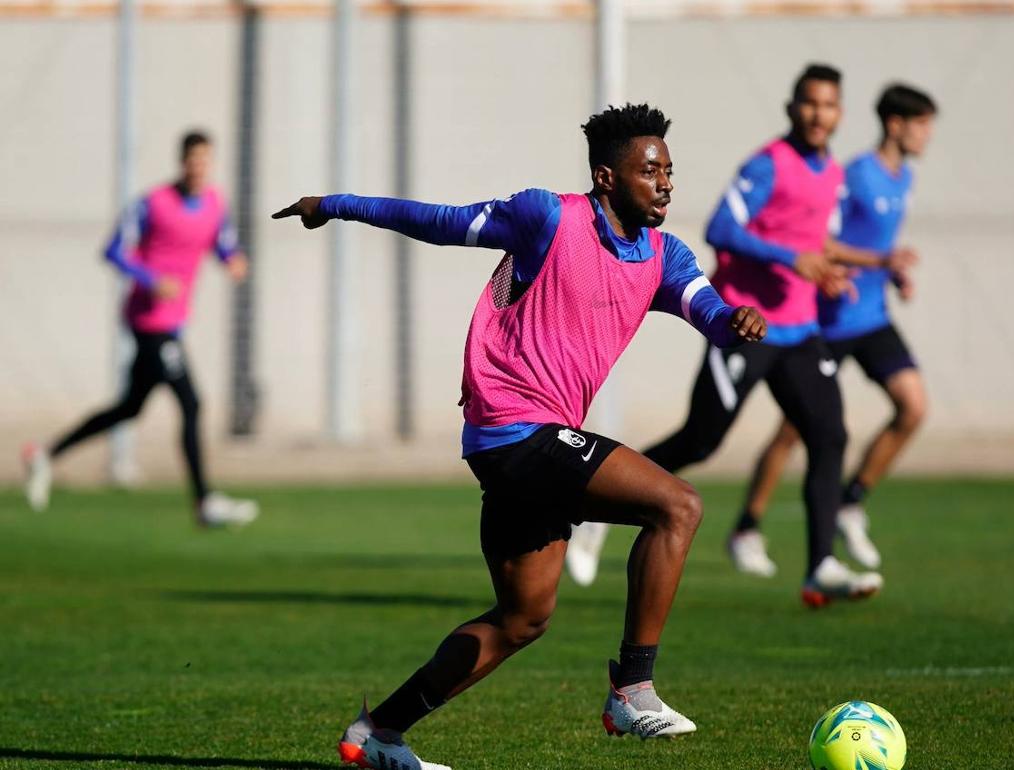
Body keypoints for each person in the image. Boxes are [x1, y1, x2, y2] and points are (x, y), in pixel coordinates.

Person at [272, 104, 766, 769]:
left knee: (523, 618)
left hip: (526, 446)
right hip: (515, 430)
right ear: (607, 178)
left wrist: (734, 321)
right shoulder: (548, 217)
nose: (666, 183)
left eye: (670, 171)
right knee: (678, 505)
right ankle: (633, 688)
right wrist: (338, 204)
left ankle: (378, 733)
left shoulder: (664, 256)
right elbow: (441, 222)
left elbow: (706, 310)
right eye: (650, 171)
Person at [566, 64, 882, 608]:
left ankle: (821, 564)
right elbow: (721, 229)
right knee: (701, 440)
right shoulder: (767, 165)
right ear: (792, 108)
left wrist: (831, 270)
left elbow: (812, 244)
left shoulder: (833, 174)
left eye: (828, 105)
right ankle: (596, 512)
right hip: (746, 327)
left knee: (829, 435)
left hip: (801, 330)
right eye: (808, 102)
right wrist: (792, 258)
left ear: (840, 114)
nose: (817, 114)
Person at [736, 83, 938, 574]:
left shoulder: (904, 177)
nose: (928, 136)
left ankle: (851, 500)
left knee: (912, 407)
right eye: (921, 124)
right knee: (796, 431)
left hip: (871, 318)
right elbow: (820, 240)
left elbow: (877, 246)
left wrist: (893, 273)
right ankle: (747, 526)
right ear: (895, 123)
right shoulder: (854, 177)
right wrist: (868, 262)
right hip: (827, 319)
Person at [21, 130, 258, 528]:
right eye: (193, 160)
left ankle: (44, 454)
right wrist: (152, 280)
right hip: (148, 321)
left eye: (206, 161)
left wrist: (234, 261)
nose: (199, 168)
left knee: (129, 408)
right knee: (191, 402)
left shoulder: (216, 204)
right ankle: (204, 503)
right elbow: (114, 250)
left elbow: (224, 244)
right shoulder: (152, 204)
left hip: (174, 323)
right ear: (182, 161)